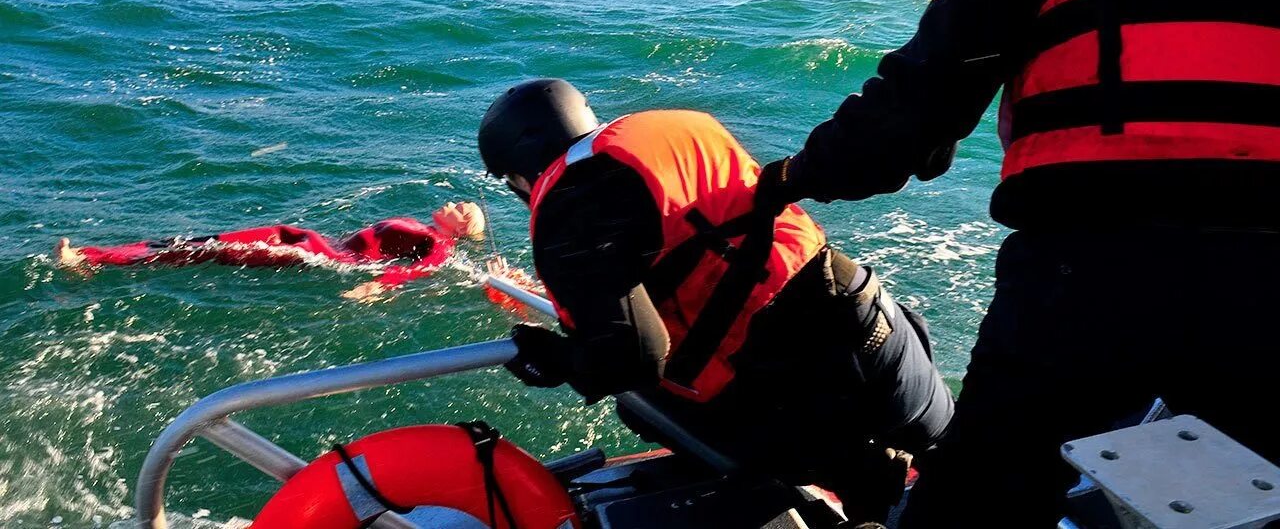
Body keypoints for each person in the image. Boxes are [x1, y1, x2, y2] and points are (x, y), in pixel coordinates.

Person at [751, 0, 1280, 526]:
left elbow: (916, 105)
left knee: (982, 495)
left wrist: (793, 178)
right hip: (1271, 279)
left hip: (1091, 268)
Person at [478, 78, 953, 523]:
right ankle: (866, 469)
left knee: (637, 402)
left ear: (519, 174)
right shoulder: (677, 127)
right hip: (871, 322)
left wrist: (556, 360)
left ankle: (844, 469)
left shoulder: (570, 205)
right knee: (961, 464)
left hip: (799, 383)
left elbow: (632, 360)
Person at [56, 201, 485, 300]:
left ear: (461, 227)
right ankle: (95, 256)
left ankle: (93, 262)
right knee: (205, 242)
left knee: (203, 251)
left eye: (460, 208)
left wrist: (376, 286)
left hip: (316, 255)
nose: (452, 204)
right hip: (304, 238)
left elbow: (425, 269)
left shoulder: (439, 243)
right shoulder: (424, 226)